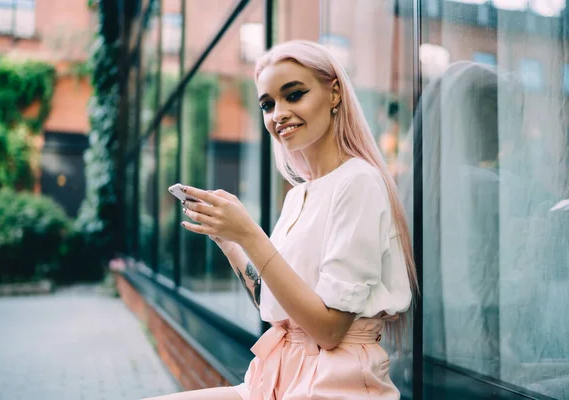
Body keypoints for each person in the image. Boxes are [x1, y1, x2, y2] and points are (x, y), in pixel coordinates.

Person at [145, 40, 418, 400]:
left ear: (334, 93)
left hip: (336, 384)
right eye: (267, 104)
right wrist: (230, 241)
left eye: (294, 95)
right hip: (276, 377)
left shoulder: (359, 181)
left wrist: (250, 233)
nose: (278, 114)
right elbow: (276, 303)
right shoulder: (298, 195)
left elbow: (329, 330)